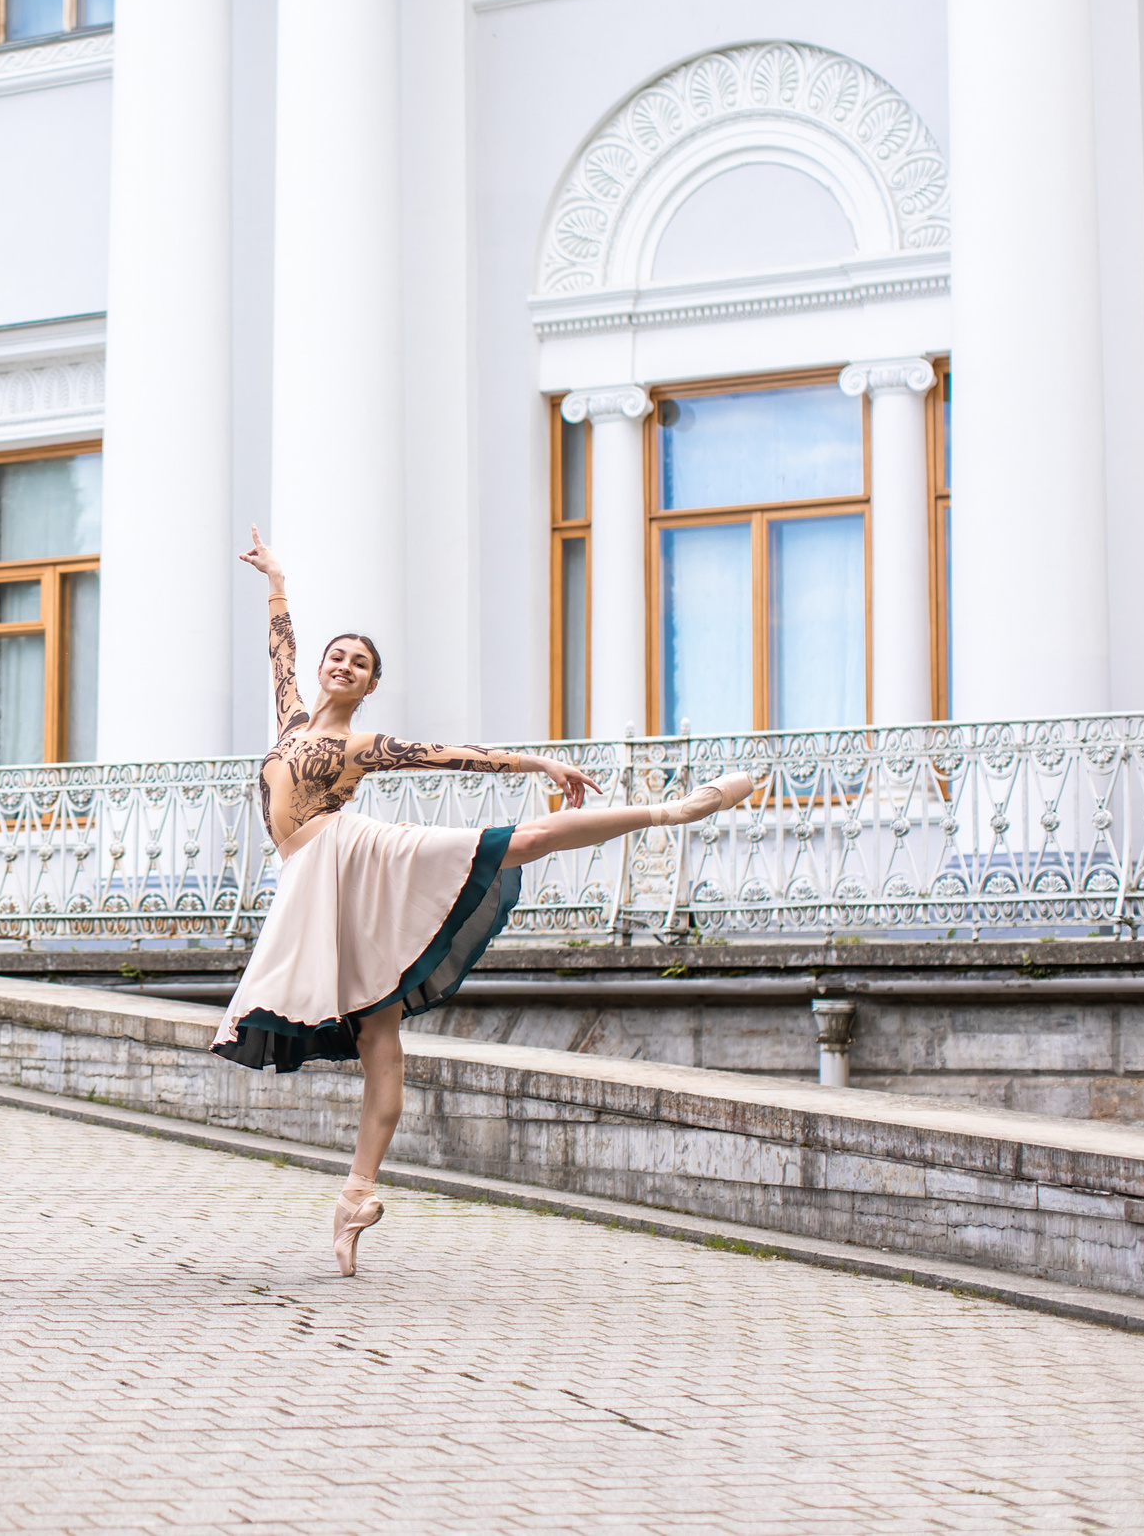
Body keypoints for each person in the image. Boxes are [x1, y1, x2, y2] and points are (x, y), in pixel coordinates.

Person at [218, 527, 757, 1276]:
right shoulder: (290, 721)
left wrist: (536, 761)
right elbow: (279, 647)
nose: (344, 665)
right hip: (312, 883)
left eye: (360, 663)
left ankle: (672, 811)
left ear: (370, 686)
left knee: (515, 843)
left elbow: (457, 757)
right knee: (378, 1039)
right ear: (320, 669)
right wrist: (277, 580)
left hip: (356, 855)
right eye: (337, 656)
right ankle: (356, 1197)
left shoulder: (364, 745)